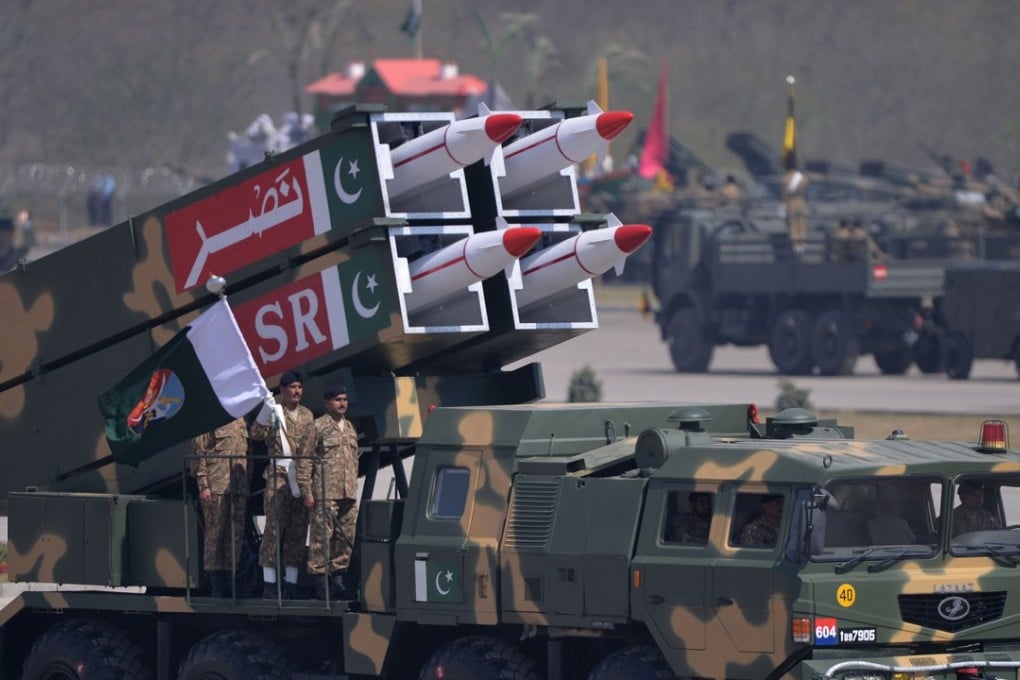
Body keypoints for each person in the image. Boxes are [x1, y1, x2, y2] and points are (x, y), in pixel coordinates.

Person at [250, 370, 316, 599]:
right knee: (274, 529)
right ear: (283, 390)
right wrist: (265, 411)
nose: (297, 391)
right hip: (278, 476)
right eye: (292, 387)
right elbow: (256, 435)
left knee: (298, 530)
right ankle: (269, 583)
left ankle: (291, 583)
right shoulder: (274, 412)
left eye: (299, 387)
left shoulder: (307, 415)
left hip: (300, 477)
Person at [304, 383, 361, 600]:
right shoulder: (317, 427)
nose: (342, 404)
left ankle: (338, 580)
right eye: (338, 400)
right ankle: (321, 583)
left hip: (347, 493)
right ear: (327, 402)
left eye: (345, 400)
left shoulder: (349, 428)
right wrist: (307, 492)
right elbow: (305, 463)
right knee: (322, 539)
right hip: (325, 492)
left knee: (345, 536)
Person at [190, 417, 250, 597]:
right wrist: (203, 485)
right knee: (214, 535)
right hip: (216, 487)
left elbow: (248, 455)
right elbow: (198, 454)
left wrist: (246, 483)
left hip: (238, 488)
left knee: (235, 535)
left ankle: (233, 580)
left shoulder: (241, 421)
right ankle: (217, 582)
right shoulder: (209, 419)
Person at [781, 153, 808, 252]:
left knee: (792, 225)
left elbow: (783, 194)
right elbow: (805, 185)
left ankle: (796, 247)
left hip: (790, 203)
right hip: (801, 201)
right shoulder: (801, 177)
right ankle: (803, 245)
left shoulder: (786, 177)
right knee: (801, 224)